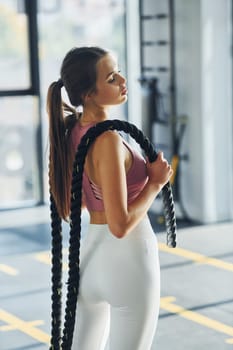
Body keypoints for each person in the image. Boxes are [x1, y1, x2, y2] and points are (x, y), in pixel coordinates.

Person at [47, 46, 173, 350]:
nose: (122, 80)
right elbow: (120, 225)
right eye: (112, 77)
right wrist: (155, 183)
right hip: (127, 258)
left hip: (91, 256)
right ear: (90, 93)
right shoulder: (107, 140)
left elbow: (82, 202)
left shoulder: (74, 131)